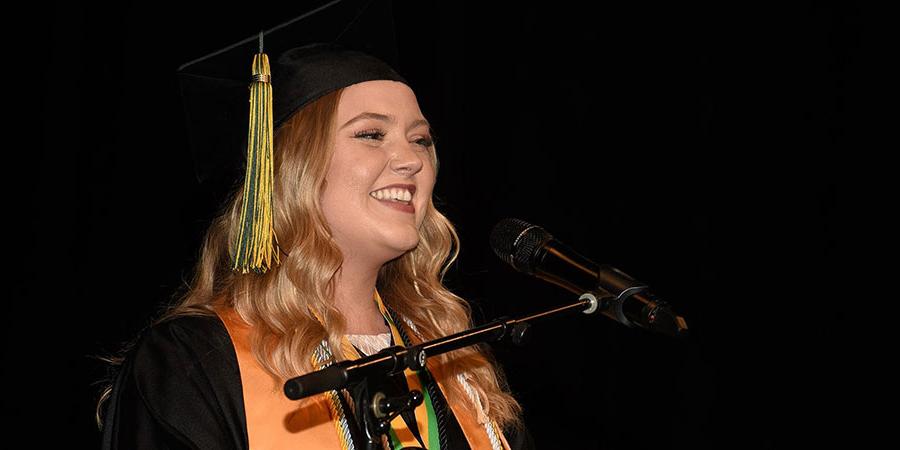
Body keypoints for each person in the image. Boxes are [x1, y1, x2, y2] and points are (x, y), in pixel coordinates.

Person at [96, 1, 533, 448]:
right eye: (371, 134)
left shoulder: (458, 367)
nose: (411, 160)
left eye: (420, 140)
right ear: (292, 167)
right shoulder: (195, 363)